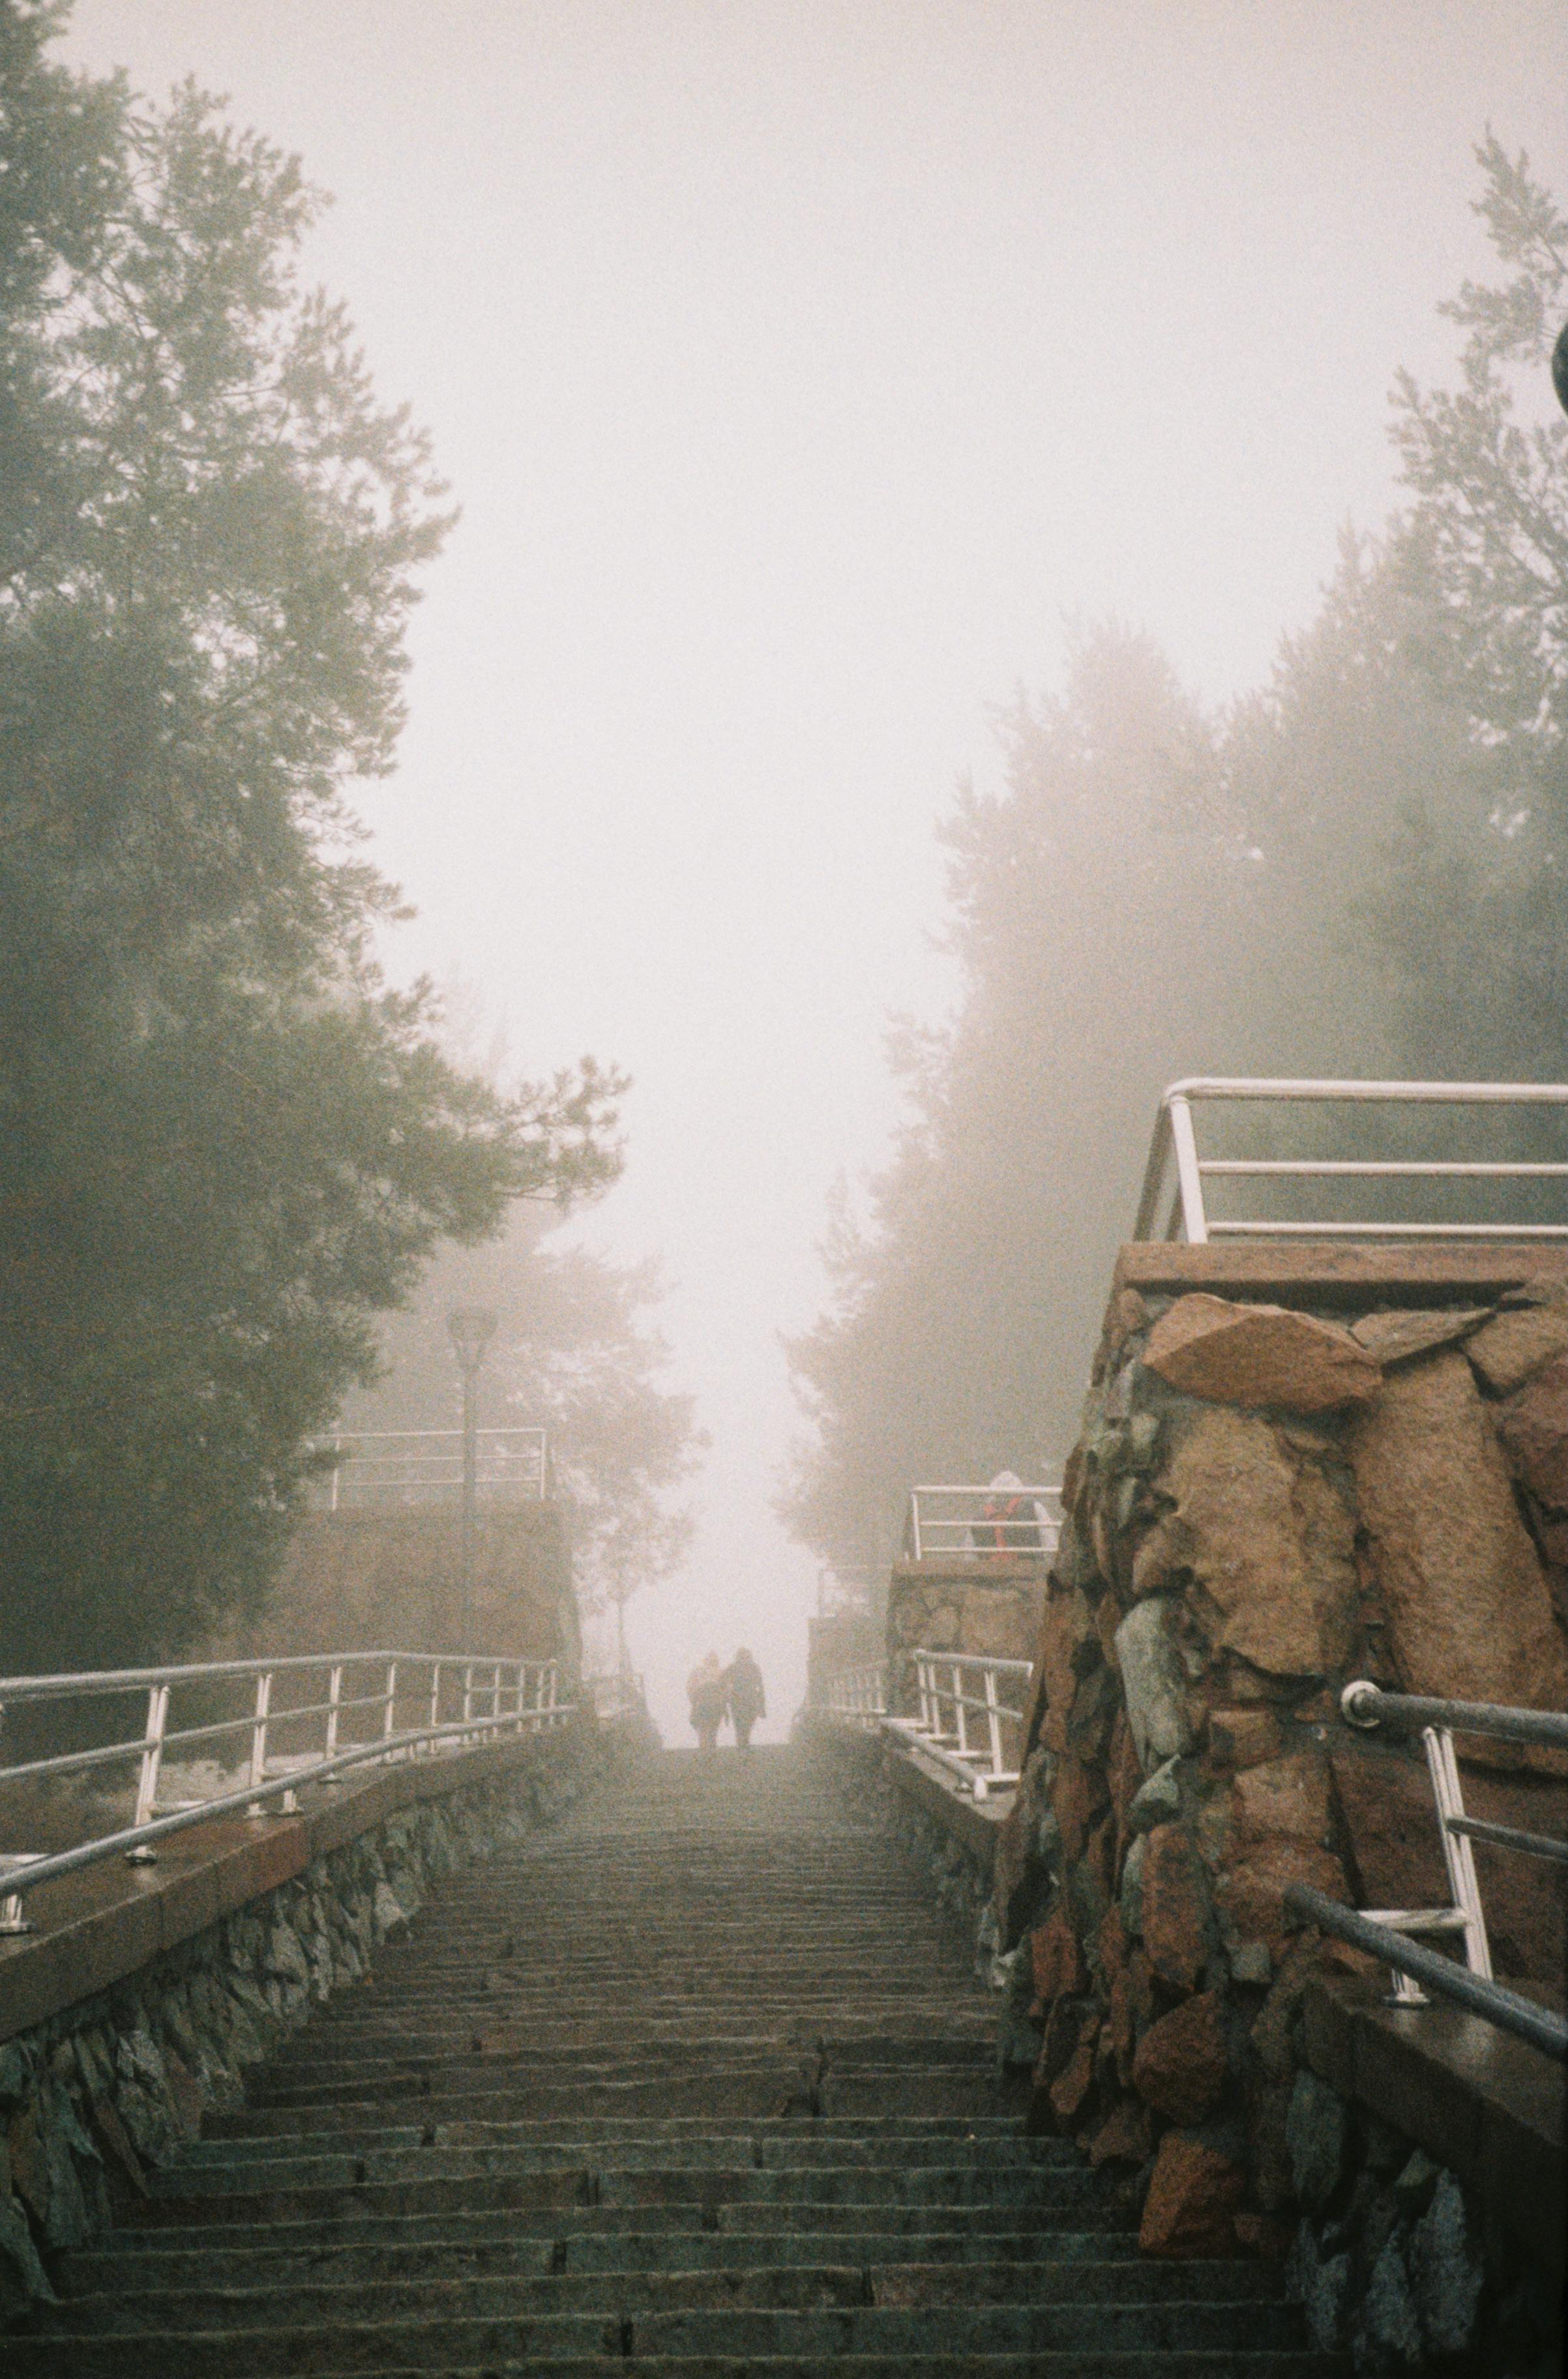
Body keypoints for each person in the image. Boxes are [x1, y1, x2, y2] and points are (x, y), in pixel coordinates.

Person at [971, 1470, 1043, 1560]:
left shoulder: (979, 1517)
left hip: (991, 1569)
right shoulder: (1033, 1507)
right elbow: (1050, 1540)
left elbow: (970, 1554)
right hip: (1029, 1567)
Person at [724, 1648, 766, 1751]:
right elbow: (724, 1681)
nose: (745, 1659)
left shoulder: (754, 1668)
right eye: (743, 1656)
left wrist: (762, 1706)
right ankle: (743, 1746)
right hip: (738, 1700)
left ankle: (743, 1745)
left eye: (747, 1656)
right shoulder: (733, 1667)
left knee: (747, 1724)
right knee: (740, 1725)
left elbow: (760, 1686)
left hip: (749, 1700)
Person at [687, 1651, 726, 1751]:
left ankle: (704, 1751)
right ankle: (712, 1751)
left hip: (701, 1704)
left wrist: (693, 1701)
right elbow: (727, 1690)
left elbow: (690, 1688)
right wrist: (724, 1703)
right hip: (717, 1704)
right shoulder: (722, 1672)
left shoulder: (697, 1672)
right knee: (713, 1728)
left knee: (702, 1728)